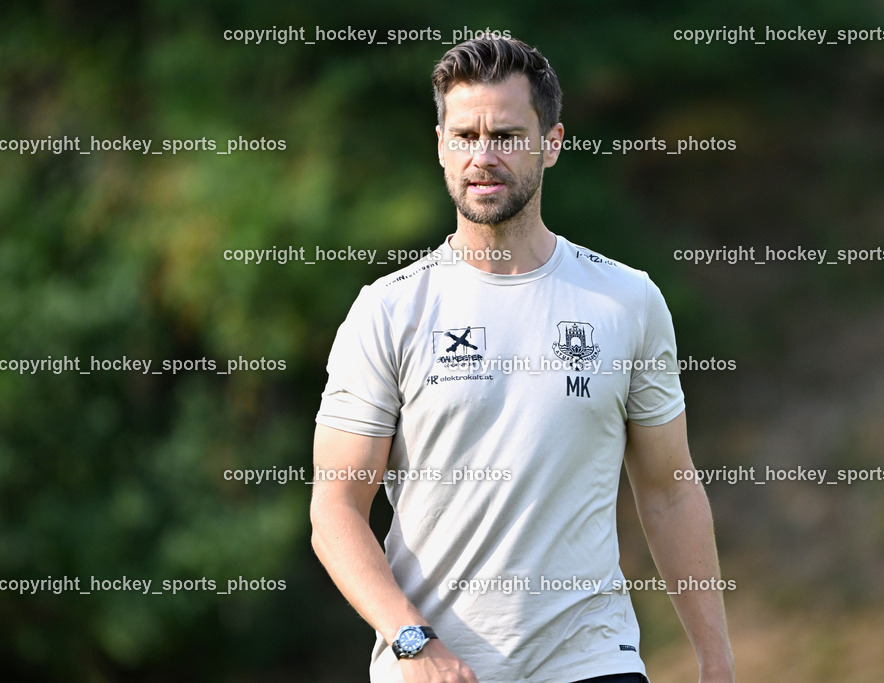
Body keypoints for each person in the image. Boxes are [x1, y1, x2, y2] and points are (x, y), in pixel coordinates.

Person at [311, 35, 735, 683]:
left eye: (506, 135)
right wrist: (411, 640)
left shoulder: (626, 300)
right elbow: (335, 509)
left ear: (552, 142)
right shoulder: (388, 310)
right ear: (440, 145)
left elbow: (669, 490)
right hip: (436, 668)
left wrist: (717, 659)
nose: (483, 157)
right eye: (464, 136)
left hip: (592, 658)